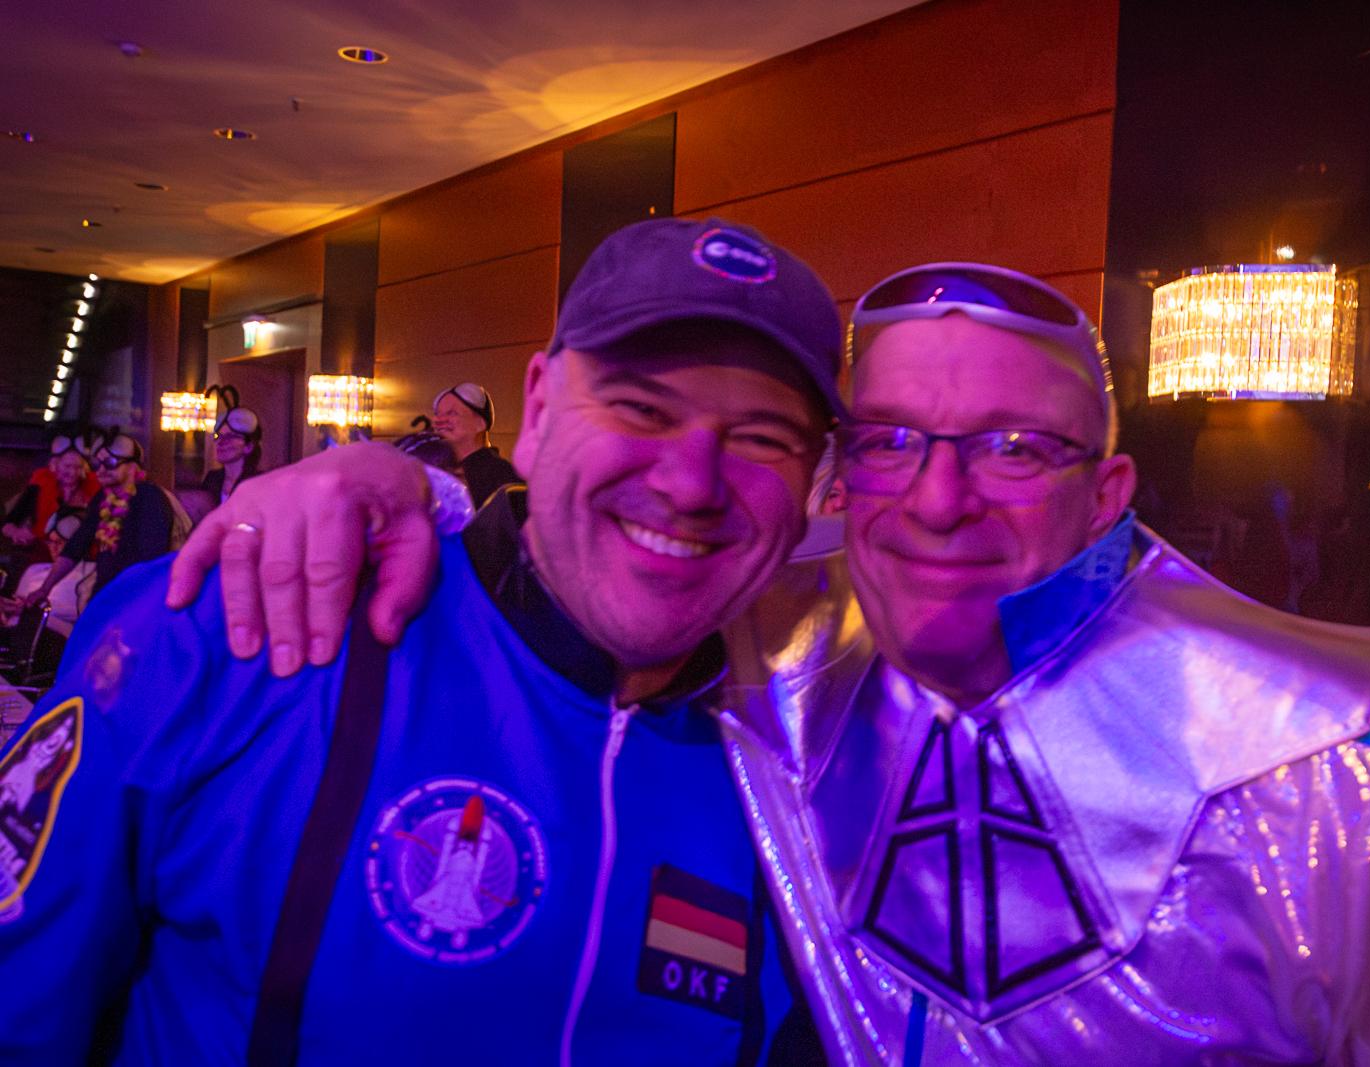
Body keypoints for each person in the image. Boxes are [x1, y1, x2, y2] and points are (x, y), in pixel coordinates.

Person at [178, 260, 1370, 1065]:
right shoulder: (770, 639)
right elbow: (605, 544)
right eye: (892, 439)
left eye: (1016, 447)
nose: (940, 499)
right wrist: (383, 483)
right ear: (842, 476)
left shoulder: (1337, 758)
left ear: (1110, 492)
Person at [0, 217, 844, 1065]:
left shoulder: (817, 758)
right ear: (539, 408)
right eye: (641, 407)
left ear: (817, 474)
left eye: (763, 437)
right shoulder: (239, 622)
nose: (692, 483)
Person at [29, 433, 175, 608]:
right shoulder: (102, 498)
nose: (101, 470)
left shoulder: (149, 496)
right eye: (97, 464)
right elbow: (76, 545)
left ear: (132, 467)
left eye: (110, 463)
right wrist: (44, 589)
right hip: (105, 595)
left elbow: (152, 560)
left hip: (136, 599)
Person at [1, 434, 99, 560]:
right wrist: (17, 533)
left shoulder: (95, 487)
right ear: (55, 465)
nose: (73, 472)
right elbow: (9, 523)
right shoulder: (39, 486)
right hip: (43, 555)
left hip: (83, 557)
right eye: (67, 466)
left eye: (78, 467)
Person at [433, 381, 521, 508]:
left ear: (480, 424)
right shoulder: (436, 471)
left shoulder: (502, 476)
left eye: (452, 413)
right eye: (437, 414)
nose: (438, 420)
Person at [6, 512, 95, 636]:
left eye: (59, 542)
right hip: (18, 626)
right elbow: (18, 601)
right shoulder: (35, 570)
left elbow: (87, 612)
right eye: (50, 542)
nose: (53, 548)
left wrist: (37, 609)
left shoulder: (91, 571)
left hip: (57, 632)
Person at [199, 387, 266, 510]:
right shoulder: (212, 479)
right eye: (219, 436)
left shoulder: (258, 482)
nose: (221, 442)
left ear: (248, 446)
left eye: (230, 437)